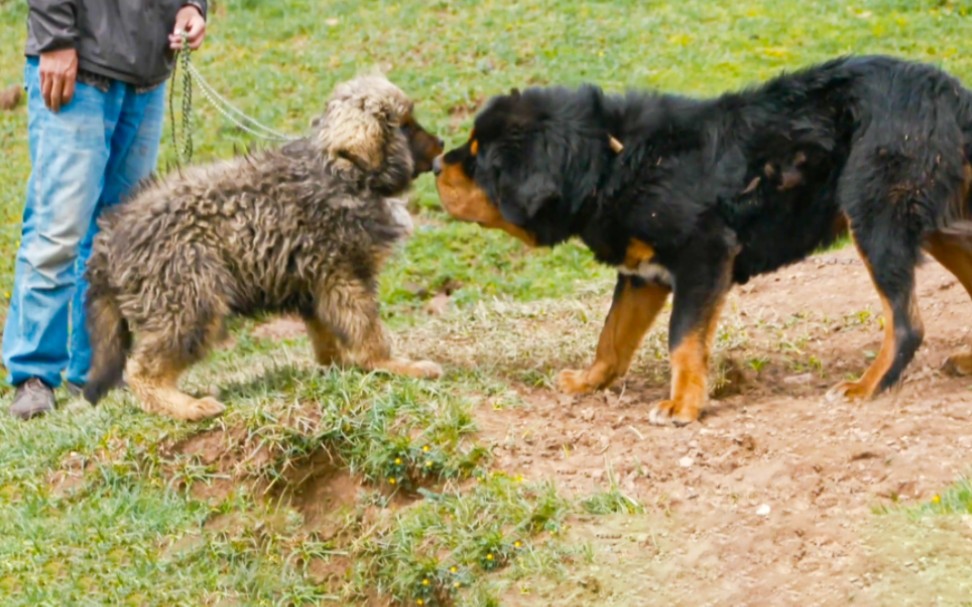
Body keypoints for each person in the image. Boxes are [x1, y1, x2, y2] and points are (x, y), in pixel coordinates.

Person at [4, 1, 209, 419]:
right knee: (57, 231)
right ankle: (34, 375)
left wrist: (193, 6)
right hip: (77, 64)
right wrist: (54, 40)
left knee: (118, 241)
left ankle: (98, 371)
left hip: (146, 74)